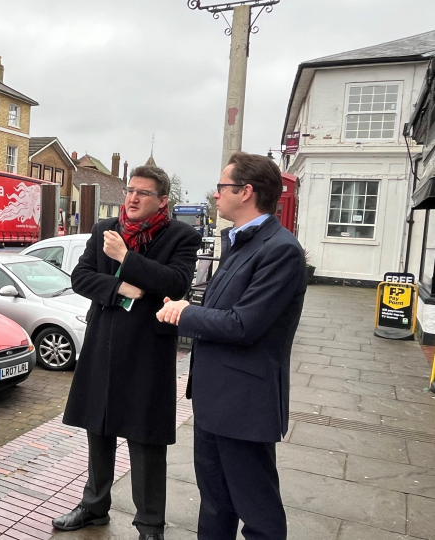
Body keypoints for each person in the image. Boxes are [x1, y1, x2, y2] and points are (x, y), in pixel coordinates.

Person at [157, 152, 306, 540]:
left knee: (258, 514)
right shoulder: (241, 243)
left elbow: (244, 324)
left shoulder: (281, 250)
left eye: (222, 187)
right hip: (214, 400)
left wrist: (183, 312)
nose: (216, 195)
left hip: (246, 404)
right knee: (216, 502)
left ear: (247, 192)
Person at [54, 165, 200, 540]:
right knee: (98, 429)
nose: (132, 198)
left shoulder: (181, 236)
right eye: (130, 191)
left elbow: (177, 282)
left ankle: (150, 525)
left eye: (143, 193)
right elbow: (81, 276)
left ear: (162, 200)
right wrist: (120, 288)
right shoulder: (105, 229)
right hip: (104, 343)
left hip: (148, 351)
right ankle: (94, 506)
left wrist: (126, 259)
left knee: (146, 439)